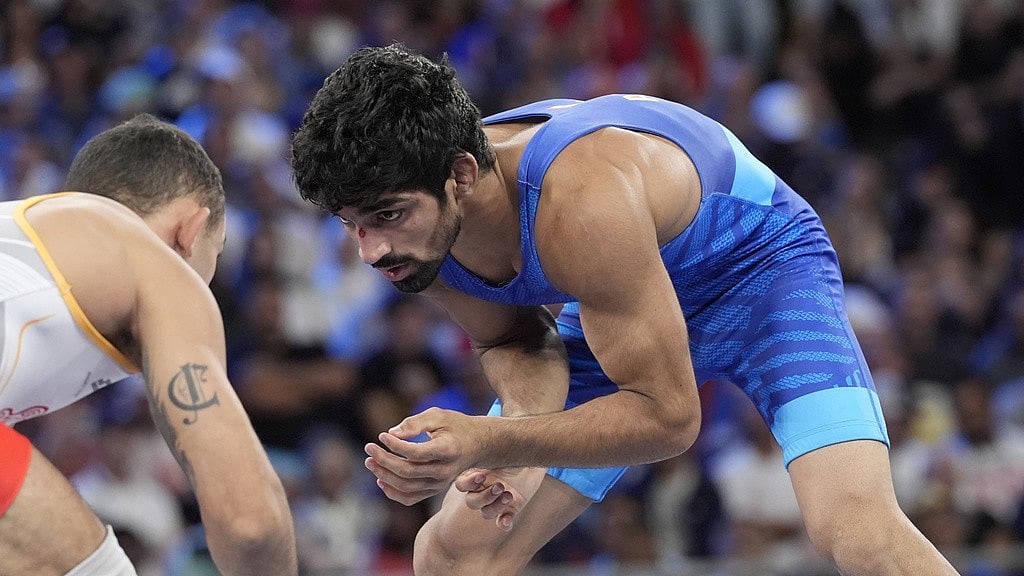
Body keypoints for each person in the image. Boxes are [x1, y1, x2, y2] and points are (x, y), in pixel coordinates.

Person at [290, 43, 959, 575]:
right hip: (625, 292)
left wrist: (493, 440)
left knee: (859, 535)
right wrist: (521, 427)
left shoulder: (579, 200)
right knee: (452, 557)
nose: (371, 252)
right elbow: (514, 343)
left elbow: (669, 421)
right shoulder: (420, 234)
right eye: (353, 225)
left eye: (385, 217)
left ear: (461, 174)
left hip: (763, 275)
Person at [0, 114, 298, 575]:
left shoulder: (36, 242)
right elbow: (249, 521)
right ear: (191, 230)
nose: (207, 279)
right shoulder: (159, 265)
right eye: (213, 256)